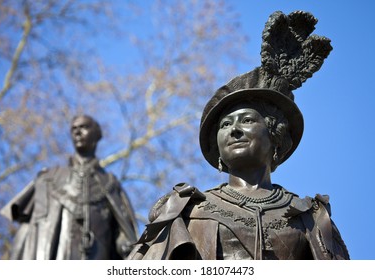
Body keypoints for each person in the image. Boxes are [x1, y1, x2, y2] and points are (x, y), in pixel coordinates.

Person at [128, 11, 349, 260]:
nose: (234, 130)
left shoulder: (309, 217)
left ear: (275, 135)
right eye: (225, 125)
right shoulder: (186, 210)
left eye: (246, 120)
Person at [1, 115, 138, 259]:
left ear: (97, 134)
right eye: (74, 129)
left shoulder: (110, 183)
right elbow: (27, 226)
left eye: (84, 127)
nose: (77, 132)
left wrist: (124, 244)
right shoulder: (49, 178)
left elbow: (122, 233)